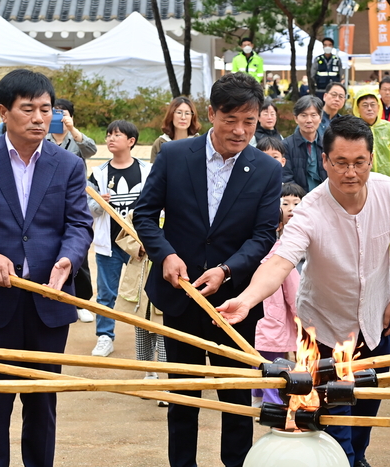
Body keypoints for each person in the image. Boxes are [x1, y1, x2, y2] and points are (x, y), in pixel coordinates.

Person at [217, 115, 390, 467]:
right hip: (323, 329)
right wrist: (247, 299)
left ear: (371, 160)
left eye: (359, 162)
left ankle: (357, 456)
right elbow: (280, 261)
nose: (350, 172)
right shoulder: (309, 209)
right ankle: (342, 458)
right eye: (340, 162)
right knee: (331, 413)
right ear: (324, 161)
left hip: (375, 322)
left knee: (367, 403)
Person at [132, 72, 282, 467]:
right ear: (212, 114)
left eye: (249, 122)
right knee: (184, 400)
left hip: (234, 305)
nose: (239, 130)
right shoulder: (175, 156)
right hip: (180, 297)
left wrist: (227, 270)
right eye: (230, 119)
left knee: (237, 401)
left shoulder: (266, 171)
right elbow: (145, 215)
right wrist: (164, 254)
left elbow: (263, 236)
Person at [0, 69, 93, 467]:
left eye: (46, 110)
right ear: (3, 112)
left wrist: (69, 258)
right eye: (27, 109)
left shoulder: (67, 165)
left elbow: (79, 224)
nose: (39, 118)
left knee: (42, 404)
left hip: (49, 302)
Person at [88, 120, 151, 358]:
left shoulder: (146, 171)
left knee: (146, 291)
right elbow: (86, 206)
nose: (110, 138)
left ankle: (148, 336)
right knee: (106, 293)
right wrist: (99, 204)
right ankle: (105, 336)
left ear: (131, 141)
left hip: (139, 244)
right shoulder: (100, 173)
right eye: (108, 134)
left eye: (117, 135)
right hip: (110, 243)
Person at [251, 183, 305, 408]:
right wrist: (302, 320)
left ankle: (257, 398)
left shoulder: (248, 251)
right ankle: (273, 406)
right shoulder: (280, 254)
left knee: (257, 362)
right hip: (273, 324)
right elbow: (294, 294)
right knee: (276, 368)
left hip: (256, 323)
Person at [46, 98, 97, 323]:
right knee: (51, 251)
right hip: (47, 201)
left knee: (79, 253)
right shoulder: (43, 137)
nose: (58, 115)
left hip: (74, 201)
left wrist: (72, 129)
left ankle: (81, 301)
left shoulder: (75, 139)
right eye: (54, 111)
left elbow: (92, 149)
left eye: (62, 112)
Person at [113, 210, 168, 407]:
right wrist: (139, 246)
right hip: (141, 274)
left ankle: (167, 381)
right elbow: (124, 233)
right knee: (142, 329)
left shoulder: (181, 208)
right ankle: (149, 374)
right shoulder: (140, 212)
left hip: (166, 273)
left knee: (165, 332)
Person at [352, 88, 390, 178]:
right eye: (365, 105)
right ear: (358, 109)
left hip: (387, 177)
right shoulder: (353, 129)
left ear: (378, 107)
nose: (369, 109)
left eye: (373, 105)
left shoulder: (388, 127)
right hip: (362, 179)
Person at [282, 95, 326, 192]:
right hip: (298, 201)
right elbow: (286, 177)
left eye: (313, 115)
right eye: (304, 115)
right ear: (296, 118)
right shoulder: (286, 145)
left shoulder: (328, 144)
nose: (309, 120)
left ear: (320, 118)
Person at [46, 98, 97, 166]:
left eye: (63, 115)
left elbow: (92, 151)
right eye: (55, 115)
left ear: (71, 117)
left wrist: (72, 129)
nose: (60, 119)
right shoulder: (41, 139)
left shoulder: (77, 138)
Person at [151, 96, 201, 163]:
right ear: (171, 115)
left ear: (192, 117)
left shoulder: (200, 143)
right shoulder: (159, 144)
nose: (183, 117)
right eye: (179, 112)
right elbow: (154, 171)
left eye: (187, 113)